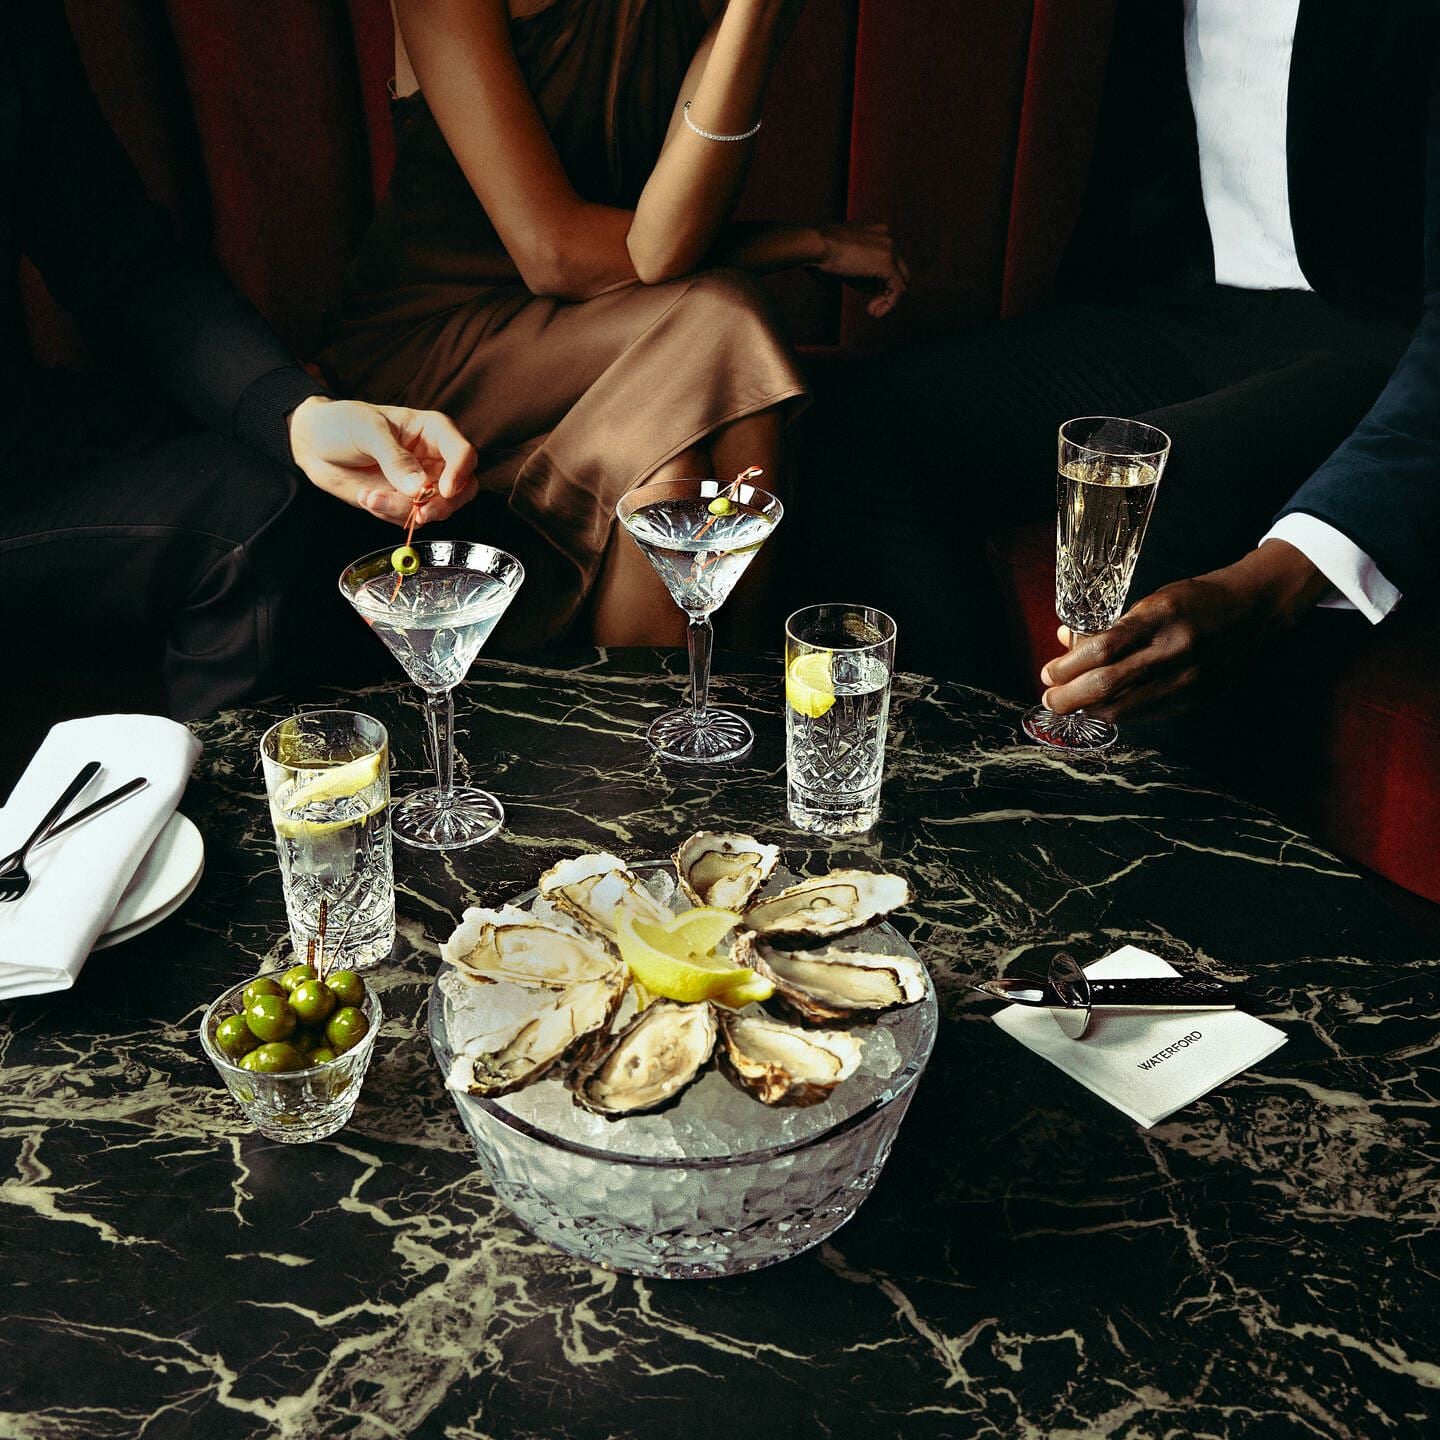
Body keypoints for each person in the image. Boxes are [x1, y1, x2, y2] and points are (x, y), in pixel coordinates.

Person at [803, 0, 1437, 710]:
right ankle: (965, 758)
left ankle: (1121, 784)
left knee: (1141, 481)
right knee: (869, 423)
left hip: (1389, 340)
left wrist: (1291, 571)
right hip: (1188, 311)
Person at [320, 0, 908, 646]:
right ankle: (725, 689)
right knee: (725, 323)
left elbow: (666, 239)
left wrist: (753, 13)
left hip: (623, 328)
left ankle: (696, 704)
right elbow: (558, 253)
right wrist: (806, 242)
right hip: (438, 347)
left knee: (676, 443)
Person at [3, 2, 479, 728]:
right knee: (244, 522)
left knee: (329, 497)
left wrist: (298, 417)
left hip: (26, 432)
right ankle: (241, 800)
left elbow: (124, 266)